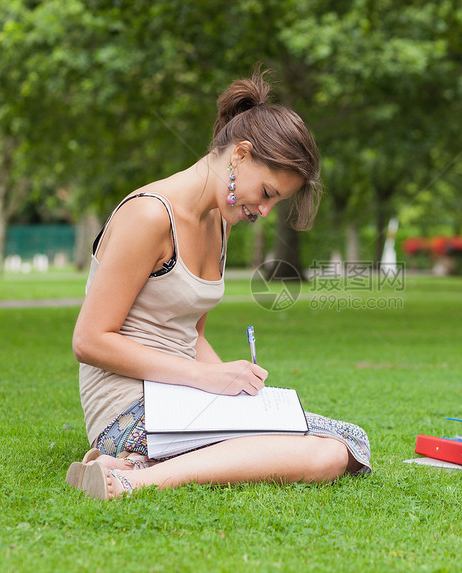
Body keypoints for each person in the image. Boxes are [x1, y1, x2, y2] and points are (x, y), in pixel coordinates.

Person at [66, 68, 371, 499]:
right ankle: (133, 478)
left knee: (344, 439)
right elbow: (90, 341)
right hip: (130, 411)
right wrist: (204, 380)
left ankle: (135, 465)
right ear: (240, 154)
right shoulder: (150, 216)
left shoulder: (218, 225)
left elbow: (191, 336)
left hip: (182, 400)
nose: (264, 211)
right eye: (266, 193)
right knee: (326, 453)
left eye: (275, 202)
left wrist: (235, 382)